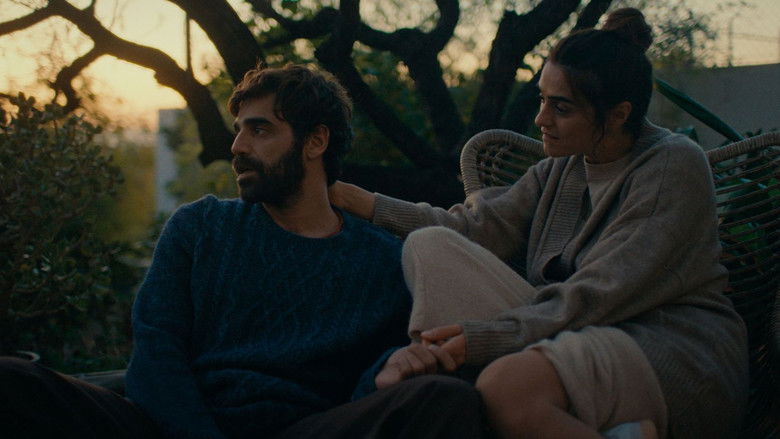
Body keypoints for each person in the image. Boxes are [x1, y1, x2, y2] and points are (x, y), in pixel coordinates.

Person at [0, 64, 486, 439]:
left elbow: (368, 388)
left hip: (303, 429)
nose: (237, 146)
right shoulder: (200, 227)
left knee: (444, 399)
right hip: (176, 427)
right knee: (11, 380)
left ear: (316, 141)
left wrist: (387, 372)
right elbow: (156, 355)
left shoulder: (381, 260)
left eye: (259, 130)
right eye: (238, 130)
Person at [329, 8, 749, 439]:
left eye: (561, 107)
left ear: (619, 114)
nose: (541, 119)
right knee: (429, 244)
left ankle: (481, 400)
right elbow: (474, 230)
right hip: (574, 329)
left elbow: (603, 291)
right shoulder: (562, 167)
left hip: (666, 348)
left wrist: (485, 338)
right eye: (543, 99)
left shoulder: (672, 164)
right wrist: (358, 200)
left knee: (506, 388)